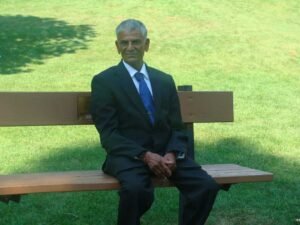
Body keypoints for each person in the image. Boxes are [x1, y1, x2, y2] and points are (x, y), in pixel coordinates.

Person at [90, 19, 221, 225]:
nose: (130, 47)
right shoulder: (105, 82)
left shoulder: (164, 80)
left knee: (205, 187)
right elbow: (108, 134)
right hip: (128, 156)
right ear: (117, 47)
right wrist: (145, 155)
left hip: (166, 154)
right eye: (124, 43)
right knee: (136, 190)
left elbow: (177, 127)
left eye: (136, 42)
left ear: (147, 44)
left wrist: (171, 153)